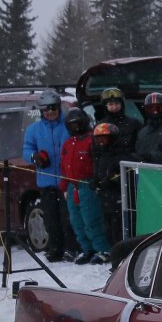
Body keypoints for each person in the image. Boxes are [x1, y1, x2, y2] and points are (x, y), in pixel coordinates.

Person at [22, 93, 71, 261]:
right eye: (46, 110)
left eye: (53, 109)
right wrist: (34, 157)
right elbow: (27, 149)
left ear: (58, 108)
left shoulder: (67, 126)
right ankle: (55, 248)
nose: (50, 113)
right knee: (50, 217)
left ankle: (71, 247)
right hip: (46, 181)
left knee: (67, 216)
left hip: (66, 180)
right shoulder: (34, 129)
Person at [58, 109, 107, 264]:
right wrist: (64, 187)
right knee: (76, 221)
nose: (76, 128)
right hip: (72, 185)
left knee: (91, 218)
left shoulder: (91, 140)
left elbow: (98, 162)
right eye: (72, 125)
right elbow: (64, 166)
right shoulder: (68, 143)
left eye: (78, 124)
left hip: (87, 184)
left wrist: (97, 180)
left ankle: (102, 249)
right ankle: (87, 249)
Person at [90, 120, 127, 247]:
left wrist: (112, 179)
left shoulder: (121, 155)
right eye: (98, 140)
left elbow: (126, 174)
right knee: (108, 230)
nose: (101, 143)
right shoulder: (99, 156)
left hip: (119, 200)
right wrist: (95, 181)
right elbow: (99, 174)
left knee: (118, 231)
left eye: (104, 139)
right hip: (106, 200)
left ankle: (120, 253)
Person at [97, 86, 140, 158]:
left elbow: (140, 146)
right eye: (111, 104)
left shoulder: (134, 123)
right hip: (108, 162)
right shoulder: (100, 126)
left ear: (121, 104)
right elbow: (96, 151)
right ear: (106, 106)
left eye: (117, 103)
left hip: (129, 163)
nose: (114, 107)